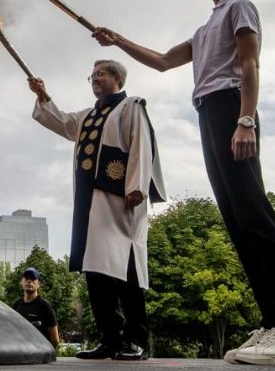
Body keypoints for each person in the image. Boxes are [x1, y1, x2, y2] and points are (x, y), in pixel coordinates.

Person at [92, 0, 275, 366]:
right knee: (236, 219)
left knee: (254, 213)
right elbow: (161, 62)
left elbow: (250, 65)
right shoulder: (204, 28)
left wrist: (246, 120)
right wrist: (117, 40)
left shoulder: (240, 7)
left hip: (231, 107)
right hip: (208, 113)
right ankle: (274, 326)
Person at [28, 59, 166, 360]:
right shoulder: (87, 116)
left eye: (101, 73)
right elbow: (61, 122)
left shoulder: (131, 107)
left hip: (121, 200)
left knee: (126, 268)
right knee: (96, 270)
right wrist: (43, 96)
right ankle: (110, 339)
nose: (94, 78)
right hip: (90, 205)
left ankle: (137, 340)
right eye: (91, 75)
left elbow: (141, 145)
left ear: (117, 78)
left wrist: (136, 187)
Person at [12, 267, 60, 349]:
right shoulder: (16, 305)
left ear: (38, 284)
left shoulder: (45, 306)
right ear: (21, 282)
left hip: (40, 354)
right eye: (26, 278)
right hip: (21, 352)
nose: (29, 281)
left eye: (33, 279)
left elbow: (55, 340)